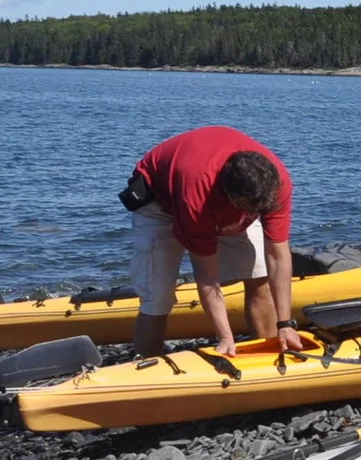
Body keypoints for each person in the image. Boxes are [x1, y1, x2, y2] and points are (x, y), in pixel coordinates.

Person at [124, 126, 309, 358]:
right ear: (230, 197)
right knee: (157, 296)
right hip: (159, 203)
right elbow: (208, 277)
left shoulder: (276, 185)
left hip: (227, 193)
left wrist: (287, 323)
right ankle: (147, 367)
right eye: (251, 210)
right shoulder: (197, 199)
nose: (257, 214)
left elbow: (278, 255)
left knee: (259, 277)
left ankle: (270, 350)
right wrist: (225, 337)